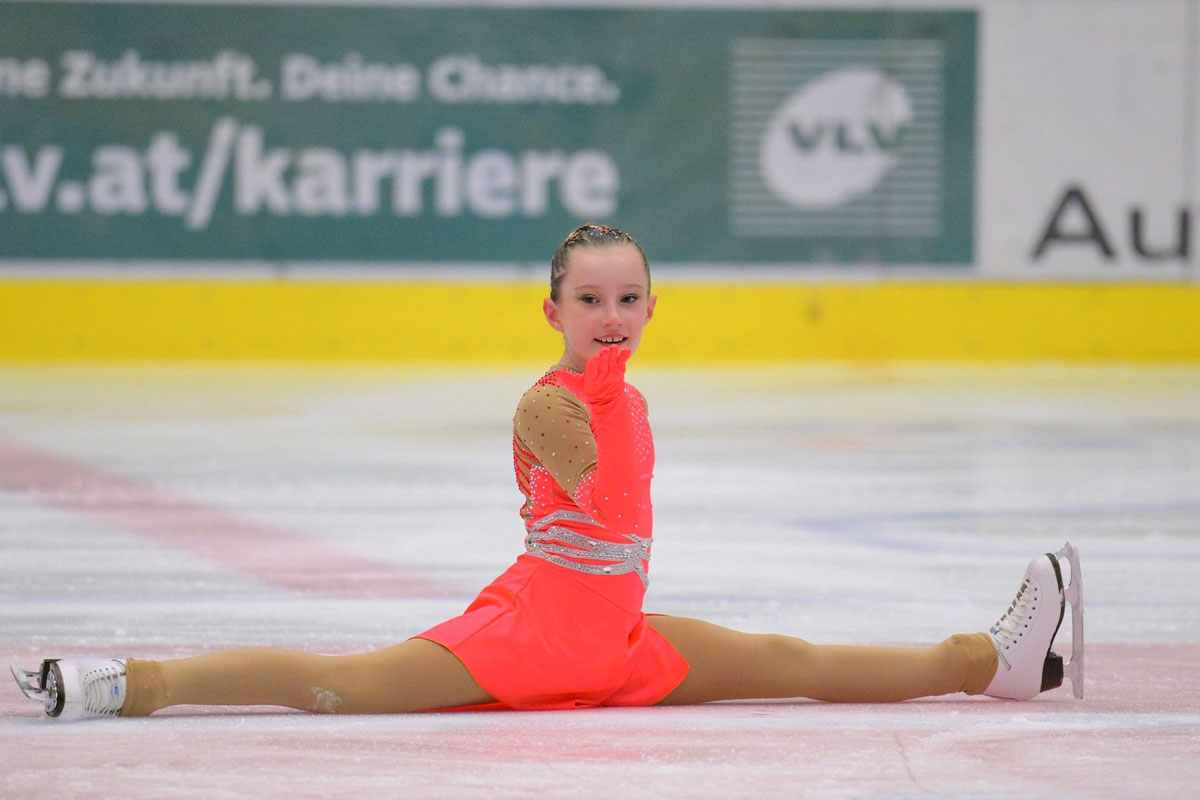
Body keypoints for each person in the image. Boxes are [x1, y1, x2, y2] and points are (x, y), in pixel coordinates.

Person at [10, 224, 1084, 720]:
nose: (612, 316)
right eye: (591, 300)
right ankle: (130, 682)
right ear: (555, 309)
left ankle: (987, 660)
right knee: (341, 686)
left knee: (790, 657)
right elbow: (600, 497)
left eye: (629, 299)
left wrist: (614, 389)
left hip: (617, 642)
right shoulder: (551, 402)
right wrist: (592, 391)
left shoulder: (630, 397)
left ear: (652, 305)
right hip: (530, 634)